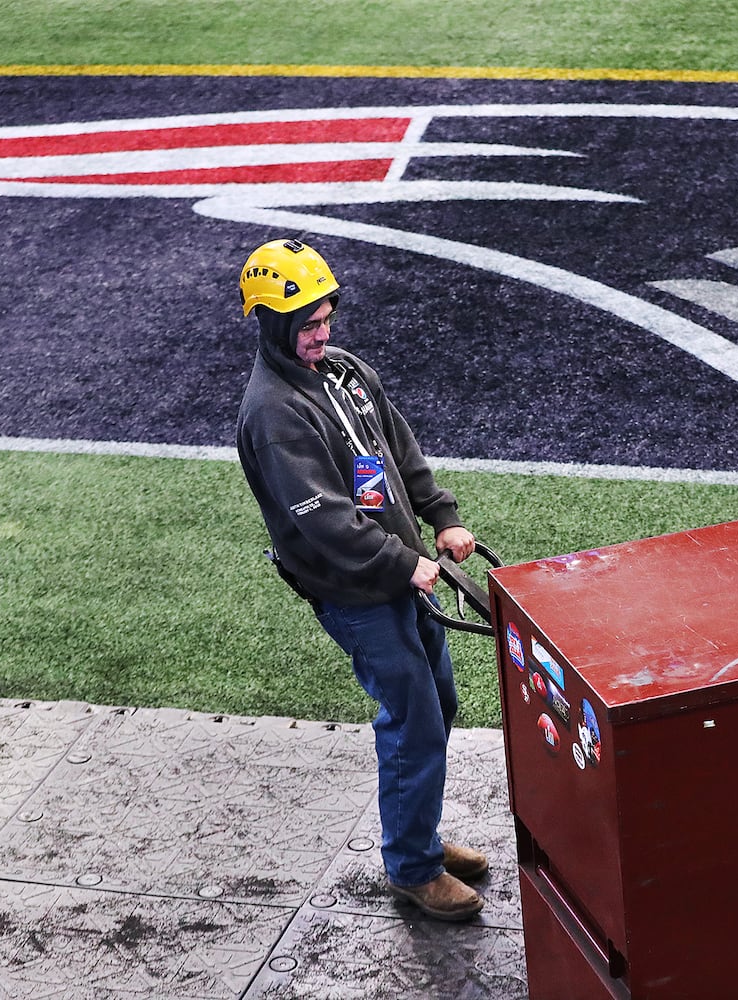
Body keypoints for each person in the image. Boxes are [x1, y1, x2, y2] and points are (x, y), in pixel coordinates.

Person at [234, 237, 487, 921]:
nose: (321, 335)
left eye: (325, 320)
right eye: (307, 326)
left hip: (400, 578)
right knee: (411, 718)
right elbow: (324, 522)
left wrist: (442, 515)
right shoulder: (274, 413)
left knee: (439, 701)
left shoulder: (343, 372)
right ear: (271, 323)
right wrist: (404, 562)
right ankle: (411, 868)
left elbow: (396, 448)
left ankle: (420, 838)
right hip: (358, 595)